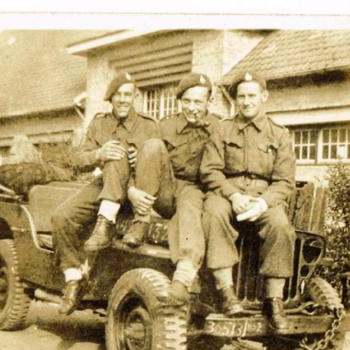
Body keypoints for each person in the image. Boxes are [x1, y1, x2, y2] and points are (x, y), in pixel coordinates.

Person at [87, 72, 220, 305]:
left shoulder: (220, 127)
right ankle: (141, 222)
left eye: (198, 101)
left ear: (209, 101)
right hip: (165, 189)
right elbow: (141, 163)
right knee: (151, 145)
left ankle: (184, 277)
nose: (192, 107)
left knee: (189, 207)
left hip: (197, 190)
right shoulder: (165, 125)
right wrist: (132, 190)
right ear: (180, 101)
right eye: (186, 101)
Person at [51, 73, 158, 315]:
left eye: (128, 95)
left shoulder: (149, 125)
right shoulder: (99, 123)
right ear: (111, 98)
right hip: (104, 187)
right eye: (118, 95)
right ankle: (73, 279)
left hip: (136, 192)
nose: (123, 100)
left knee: (119, 157)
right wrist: (99, 153)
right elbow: (78, 159)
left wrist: (139, 158)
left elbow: (160, 162)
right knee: (60, 218)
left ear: (135, 97)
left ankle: (105, 223)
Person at [200, 71, 296, 330]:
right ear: (235, 100)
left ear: (264, 96)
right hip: (226, 192)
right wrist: (233, 195)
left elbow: (285, 181)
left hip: (263, 198)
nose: (246, 101)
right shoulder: (222, 129)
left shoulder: (279, 134)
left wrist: (263, 203)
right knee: (213, 213)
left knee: (280, 226)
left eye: (252, 95)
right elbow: (210, 170)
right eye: (241, 96)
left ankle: (273, 300)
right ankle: (226, 293)